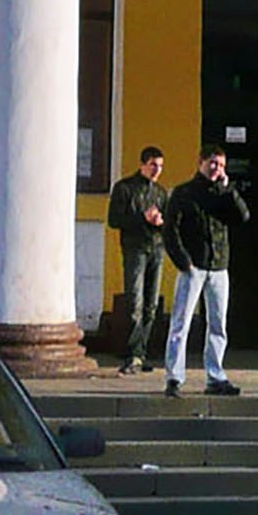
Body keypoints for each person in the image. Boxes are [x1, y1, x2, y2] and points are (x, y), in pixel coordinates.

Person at [161, 147, 251, 397]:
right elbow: (170, 231)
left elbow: (243, 216)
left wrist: (228, 189)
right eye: (213, 163)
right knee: (181, 323)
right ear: (201, 162)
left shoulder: (223, 194)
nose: (217, 169)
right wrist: (184, 262)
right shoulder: (184, 193)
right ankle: (174, 377)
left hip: (219, 266)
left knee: (218, 325)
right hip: (193, 267)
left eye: (221, 165)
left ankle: (215, 376)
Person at [106, 146, 173, 372]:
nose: (157, 170)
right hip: (135, 248)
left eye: (161, 166)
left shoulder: (161, 193)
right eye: (153, 165)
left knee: (151, 304)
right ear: (143, 164)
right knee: (135, 300)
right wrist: (142, 218)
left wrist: (161, 222)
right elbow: (114, 220)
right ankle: (132, 353)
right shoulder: (125, 188)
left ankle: (141, 351)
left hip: (157, 248)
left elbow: (168, 224)